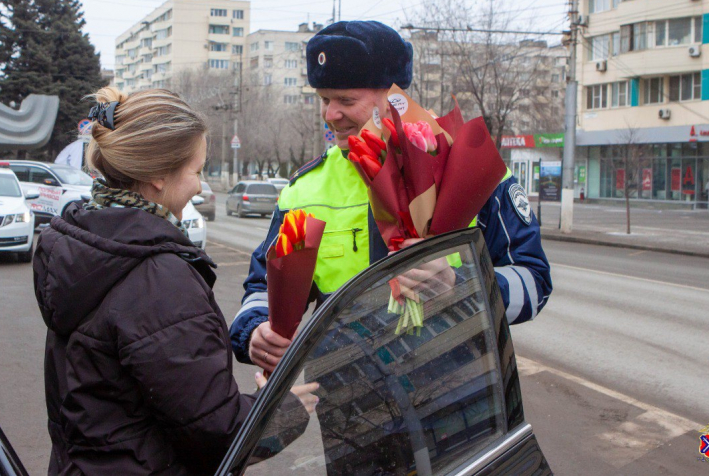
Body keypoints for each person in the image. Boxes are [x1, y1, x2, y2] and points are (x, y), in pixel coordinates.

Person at [231, 20, 552, 371]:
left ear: (394, 96)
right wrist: (256, 329)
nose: (330, 115)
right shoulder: (304, 189)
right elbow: (263, 285)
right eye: (323, 100)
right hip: (351, 406)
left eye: (346, 100)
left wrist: (461, 285)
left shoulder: (472, 171)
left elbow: (534, 283)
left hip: (462, 397)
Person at [34, 87, 316, 475]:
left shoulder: (81, 244)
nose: (200, 187)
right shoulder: (158, 278)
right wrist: (283, 409)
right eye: (196, 171)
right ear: (155, 176)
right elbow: (218, 432)